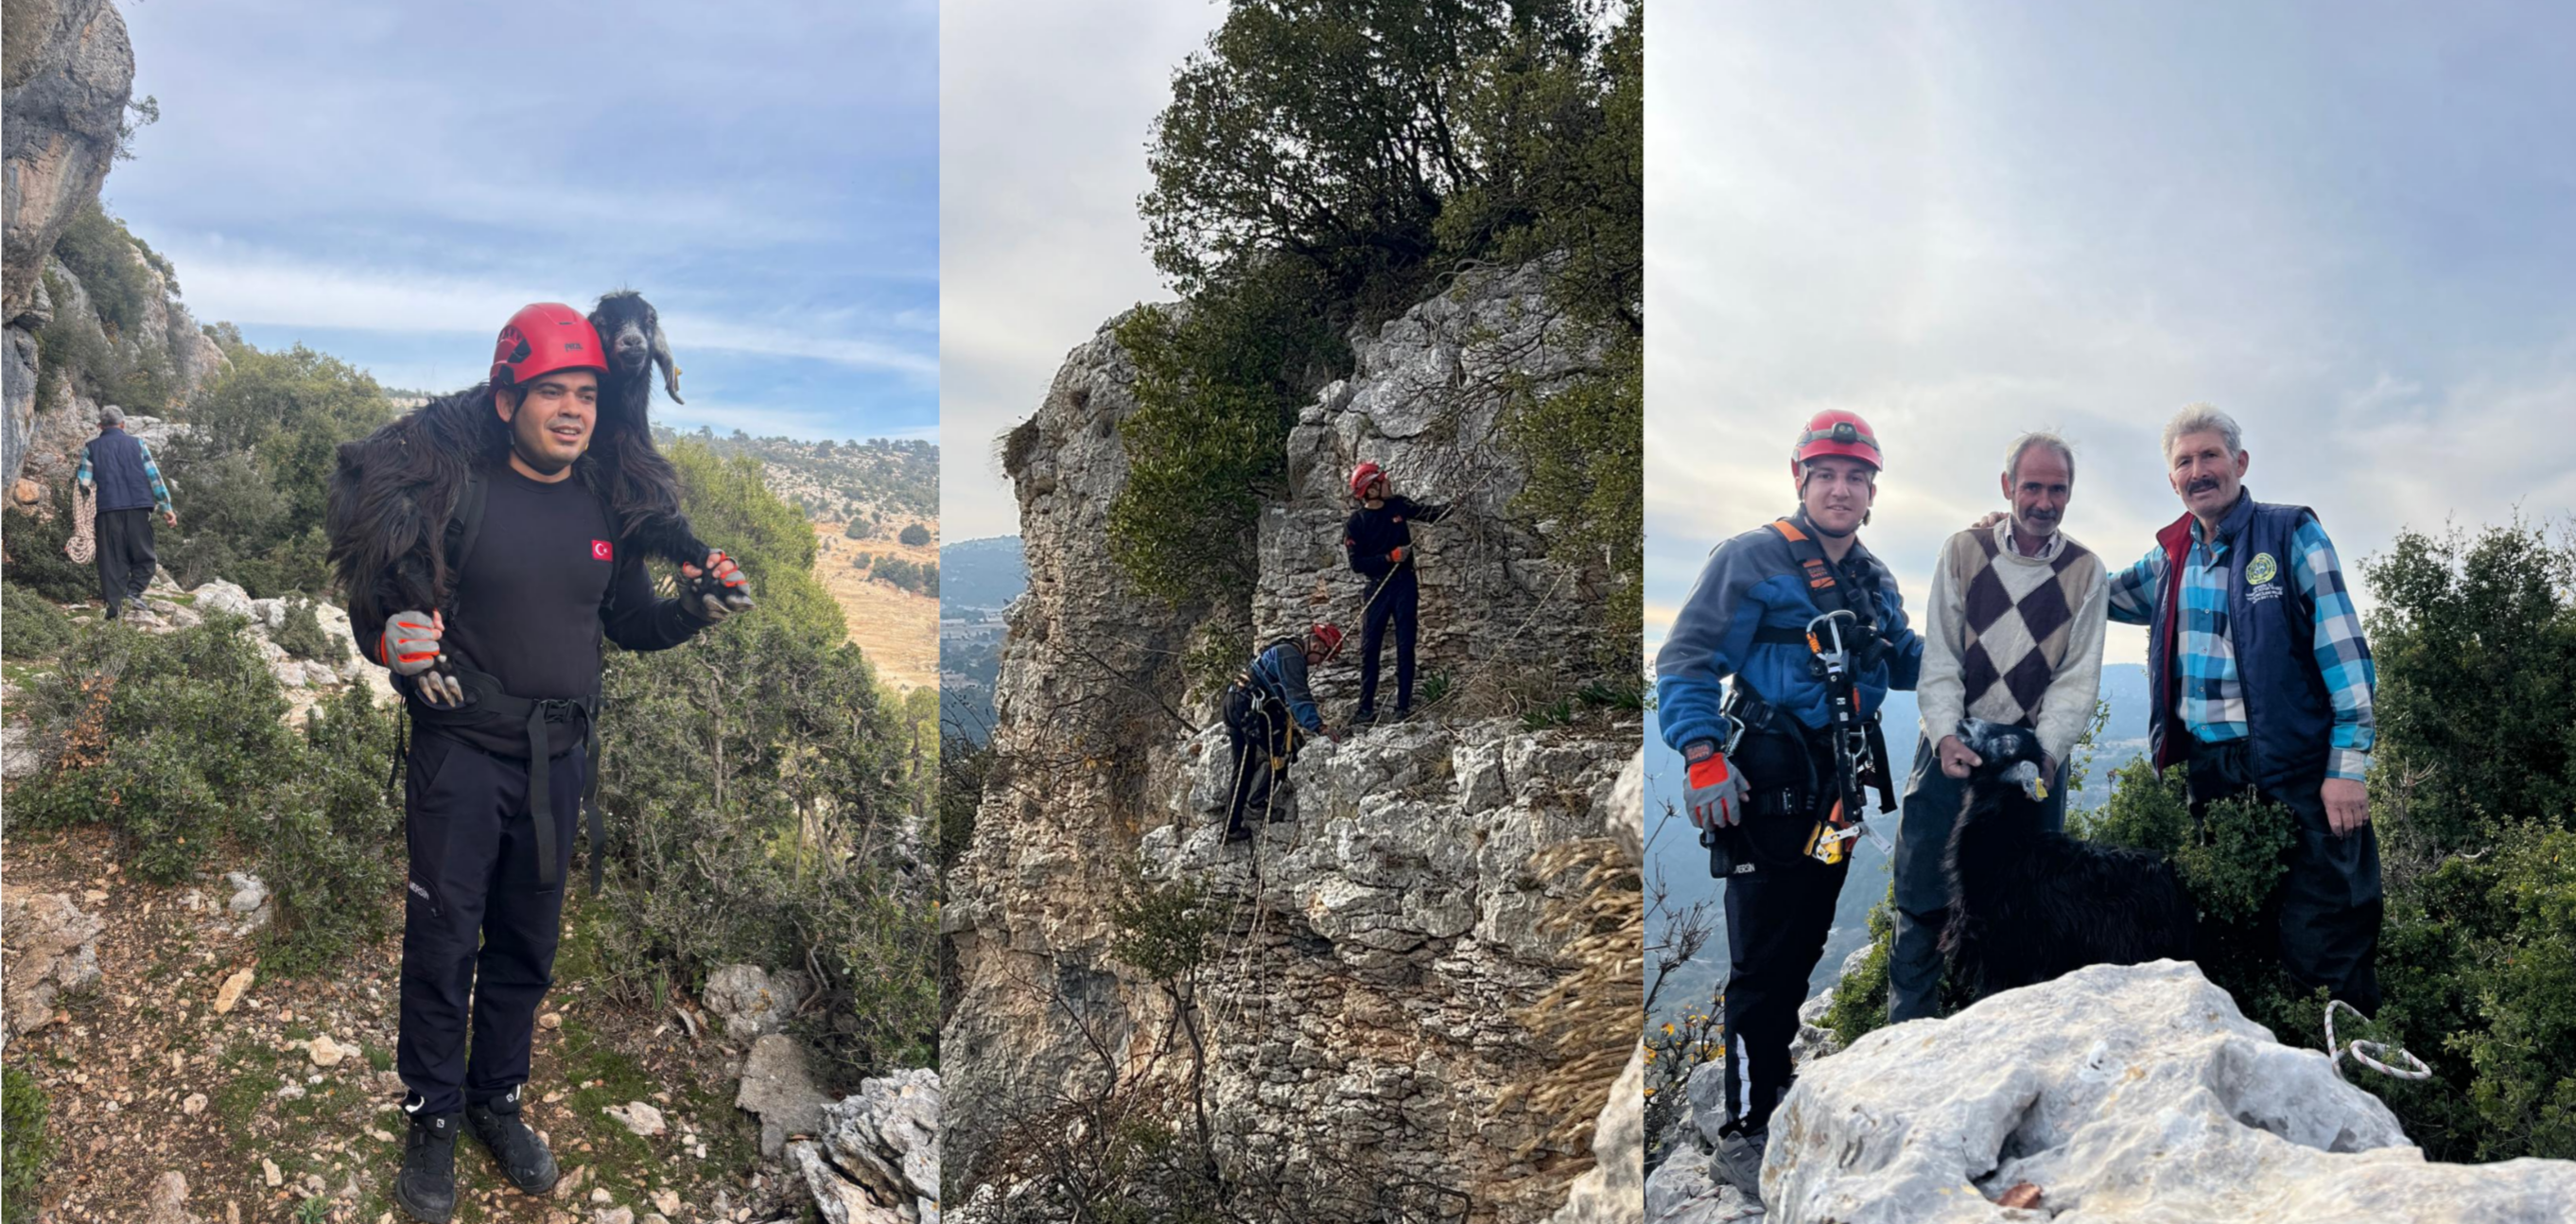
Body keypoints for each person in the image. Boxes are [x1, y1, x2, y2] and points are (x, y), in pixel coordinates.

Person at [344, 303, 750, 1223]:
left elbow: (623, 625)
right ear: (506, 399)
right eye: (552, 392)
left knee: (527, 948)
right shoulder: (458, 492)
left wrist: (693, 611)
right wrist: (388, 638)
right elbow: (384, 604)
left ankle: (497, 1099)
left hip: (558, 765)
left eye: (587, 394)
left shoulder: (602, 506)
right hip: (460, 761)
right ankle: (431, 1118)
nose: (573, 409)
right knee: (444, 946)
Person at [1654, 410, 1923, 1204]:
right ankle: (1745, 1124)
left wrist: (1980, 643)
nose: (1841, 488)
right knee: (1761, 965)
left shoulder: (1873, 578)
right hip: (1764, 785)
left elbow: (1904, 656)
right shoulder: (1751, 560)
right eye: (1827, 474)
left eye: (1856, 476)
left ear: (1873, 491)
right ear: (1800, 479)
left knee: (1801, 949)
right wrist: (1702, 756)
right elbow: (1687, 656)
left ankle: (1771, 1078)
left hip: (1832, 796)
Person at [2106, 404, 2381, 1011]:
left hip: (2302, 768)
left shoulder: (2290, 534)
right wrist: (2025, 545)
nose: (2198, 470)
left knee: (2326, 935)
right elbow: (2092, 592)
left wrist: (2347, 768)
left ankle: (2352, 1075)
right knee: (2238, 929)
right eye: (2184, 461)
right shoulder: (2168, 559)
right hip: (2213, 772)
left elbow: (2345, 654)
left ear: (2240, 462)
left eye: (2210, 455)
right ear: (2172, 479)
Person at [1888, 431, 2107, 1023]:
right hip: (1951, 747)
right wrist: (1944, 733)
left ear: (2070, 493)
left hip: (2030, 764)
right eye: (2031, 486)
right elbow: (1940, 659)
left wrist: (2047, 753)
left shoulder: (2086, 571)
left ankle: (2008, 1041)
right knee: (1922, 900)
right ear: (2008, 487)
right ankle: (1907, 1043)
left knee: (2023, 910)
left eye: (2056, 488)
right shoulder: (1963, 550)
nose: (2043, 501)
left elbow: (2076, 679)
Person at [1343, 461, 1449, 725]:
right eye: (1382, 481)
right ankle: (1365, 708)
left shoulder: (1398, 506)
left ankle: (1403, 706)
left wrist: (1454, 504)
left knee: (1405, 645)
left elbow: (1429, 514)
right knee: (1370, 648)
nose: (1389, 483)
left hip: (1404, 583)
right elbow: (1357, 564)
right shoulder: (1356, 523)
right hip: (1377, 586)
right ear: (1370, 489)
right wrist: (1390, 557)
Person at [1221, 622, 1347, 843]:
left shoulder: (1284, 647)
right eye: (1324, 657)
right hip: (1252, 708)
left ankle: (1231, 827)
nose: (1320, 664)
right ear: (1316, 644)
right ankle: (1256, 805)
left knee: (1243, 767)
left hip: (1235, 701)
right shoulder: (1292, 657)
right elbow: (1299, 697)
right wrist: (1319, 727)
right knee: (1285, 752)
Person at [73, 405, 177, 623]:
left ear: (100, 426)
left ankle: (114, 613)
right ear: (123, 424)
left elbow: (83, 483)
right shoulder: (137, 444)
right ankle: (133, 593)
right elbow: (154, 477)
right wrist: (166, 508)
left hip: (107, 511)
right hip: (138, 508)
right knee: (145, 557)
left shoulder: (91, 448)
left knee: (111, 562)